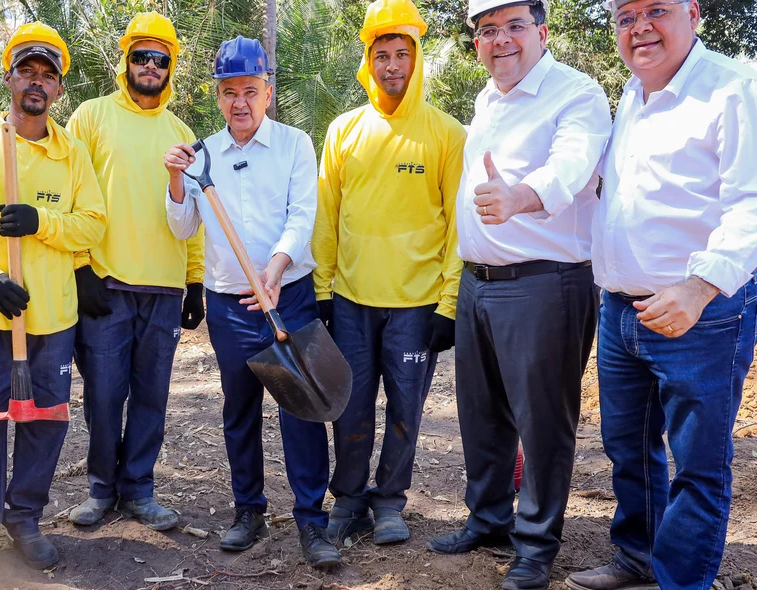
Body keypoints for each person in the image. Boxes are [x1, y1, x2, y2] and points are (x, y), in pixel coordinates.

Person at [565, 2, 757, 589]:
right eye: (625, 15)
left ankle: (681, 580)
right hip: (623, 311)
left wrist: (699, 286)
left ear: (692, 12)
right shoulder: (632, 96)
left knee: (698, 463)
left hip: (702, 312)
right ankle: (638, 557)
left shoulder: (736, 91)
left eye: (655, 10)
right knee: (629, 447)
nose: (639, 27)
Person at [423, 2, 612, 589]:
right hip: (478, 282)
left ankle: (534, 545)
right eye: (487, 31)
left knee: (542, 419)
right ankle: (488, 519)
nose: (500, 40)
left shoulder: (576, 95)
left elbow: (573, 166)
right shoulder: (487, 99)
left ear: (542, 32)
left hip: (545, 282)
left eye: (513, 27)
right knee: (482, 414)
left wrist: (521, 198)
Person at [0, 22, 106, 584]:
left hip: (51, 317)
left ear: (58, 90)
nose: (36, 82)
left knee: (45, 422)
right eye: (26, 71)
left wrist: (41, 222)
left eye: (47, 75)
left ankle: (24, 517)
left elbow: (93, 225)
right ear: (8, 78)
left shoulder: (72, 153)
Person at [162, 37, 341, 570]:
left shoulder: (294, 145)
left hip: (289, 296)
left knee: (303, 409)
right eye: (228, 92)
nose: (239, 102)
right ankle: (248, 510)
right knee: (239, 409)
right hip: (228, 306)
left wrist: (276, 268)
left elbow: (301, 214)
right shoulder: (203, 154)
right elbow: (181, 227)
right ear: (217, 96)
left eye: (249, 91)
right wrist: (174, 178)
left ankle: (312, 521)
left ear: (268, 91)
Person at [313, 0, 466, 548]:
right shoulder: (343, 130)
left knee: (405, 409)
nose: (393, 65)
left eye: (403, 53)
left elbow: (457, 228)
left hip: (417, 305)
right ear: (368, 61)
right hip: (351, 301)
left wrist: (448, 305)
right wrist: (322, 292)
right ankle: (348, 500)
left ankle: (390, 503)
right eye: (383, 54)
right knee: (349, 408)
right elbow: (325, 218)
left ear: (417, 58)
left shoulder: (447, 134)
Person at [65, 12, 204, 531]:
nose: (150, 65)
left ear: (171, 67)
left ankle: (139, 489)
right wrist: (80, 270)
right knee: (103, 394)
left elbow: (195, 214)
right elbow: (70, 189)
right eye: (141, 56)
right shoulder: (90, 117)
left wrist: (193, 282)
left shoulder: (182, 132)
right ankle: (101, 490)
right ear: (126, 61)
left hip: (164, 290)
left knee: (152, 393)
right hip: (107, 285)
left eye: (160, 59)